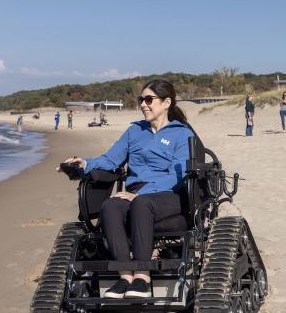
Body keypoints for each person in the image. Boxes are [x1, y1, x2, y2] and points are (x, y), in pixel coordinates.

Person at [60, 79, 194, 299]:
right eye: (141, 99)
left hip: (169, 194)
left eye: (149, 99)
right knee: (111, 206)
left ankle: (143, 276)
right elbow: (110, 160)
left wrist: (138, 194)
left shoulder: (182, 134)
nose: (143, 104)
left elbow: (176, 176)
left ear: (166, 102)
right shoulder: (134, 131)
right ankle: (125, 277)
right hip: (136, 192)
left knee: (141, 203)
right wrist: (84, 164)